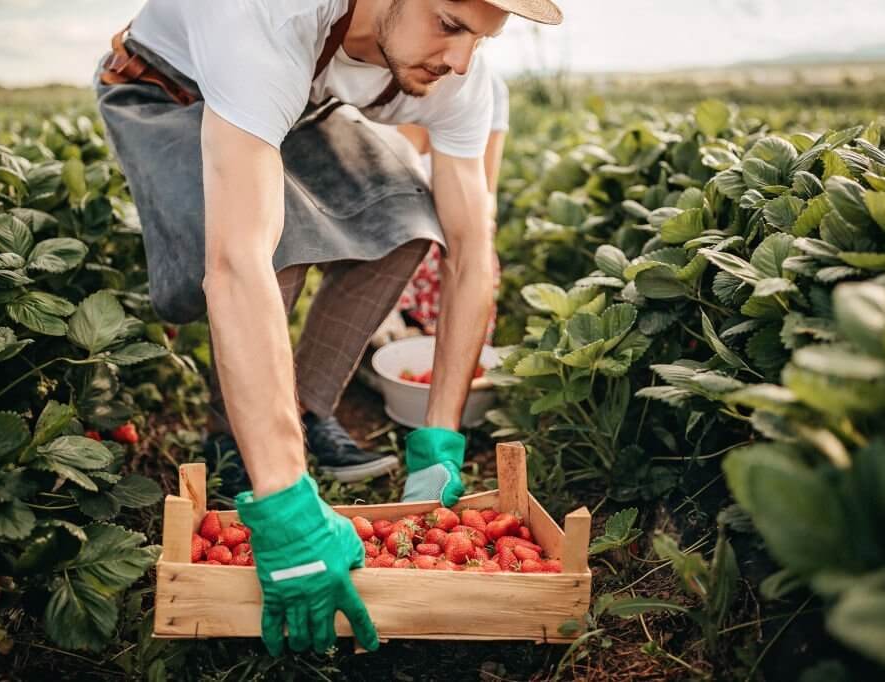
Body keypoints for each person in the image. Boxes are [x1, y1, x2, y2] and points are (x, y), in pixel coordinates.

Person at [93, 0, 562, 656]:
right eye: (450, 24)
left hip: (298, 100)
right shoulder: (270, 14)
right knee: (269, 245)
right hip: (166, 91)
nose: (460, 60)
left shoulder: (455, 75)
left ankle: (303, 411)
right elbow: (236, 263)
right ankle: (240, 445)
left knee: (408, 221)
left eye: (480, 40)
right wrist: (285, 504)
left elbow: (470, 246)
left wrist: (441, 433)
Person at [373, 64, 508, 346]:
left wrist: (470, 244)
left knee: (450, 344)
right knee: (378, 347)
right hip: (382, 243)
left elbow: (487, 196)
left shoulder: (487, 87)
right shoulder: (376, 86)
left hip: (447, 245)